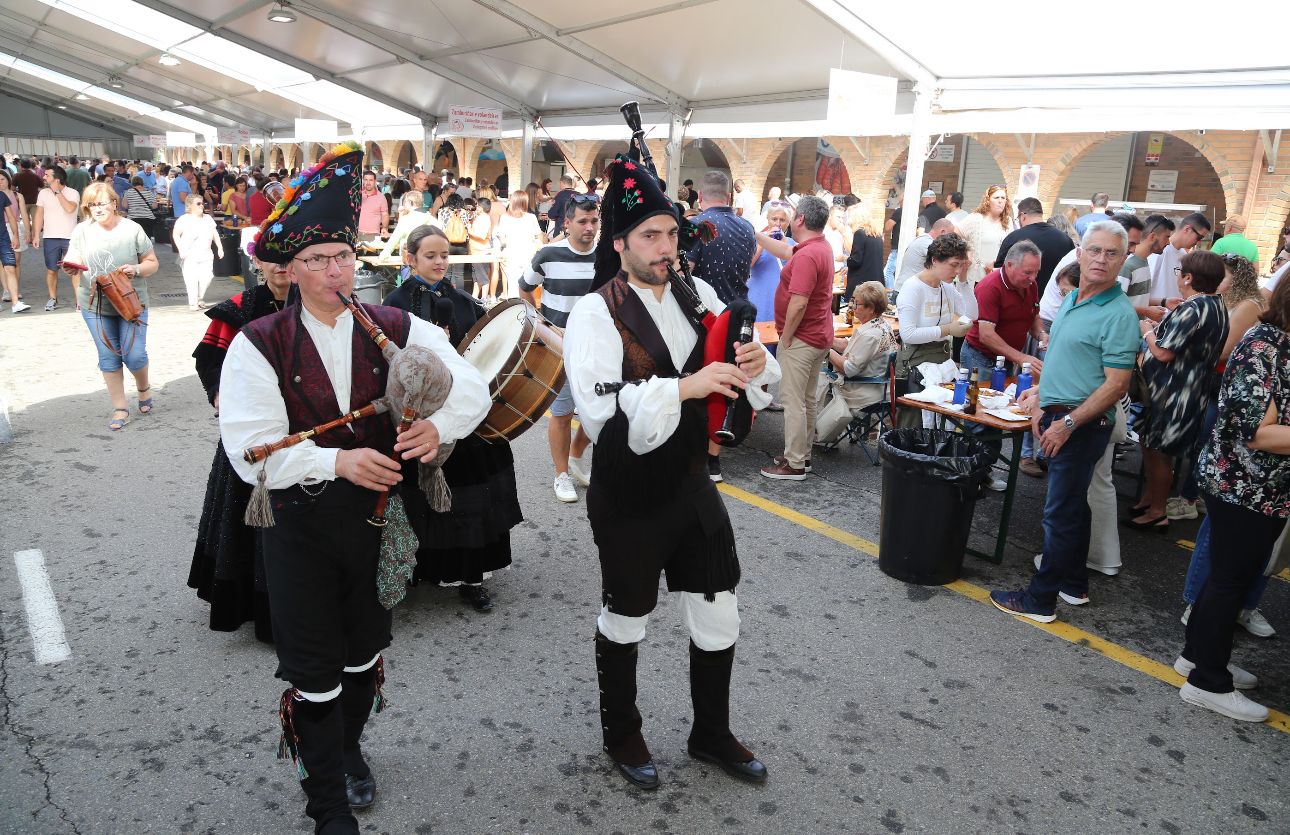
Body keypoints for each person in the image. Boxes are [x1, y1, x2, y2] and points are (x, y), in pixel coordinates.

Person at [218, 144, 489, 834]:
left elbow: (473, 383)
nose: (333, 270)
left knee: (364, 657)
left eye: (342, 254)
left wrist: (440, 430)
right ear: (289, 270)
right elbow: (249, 449)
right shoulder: (259, 341)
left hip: (375, 523)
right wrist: (334, 464)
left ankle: (349, 749)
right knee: (314, 674)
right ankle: (328, 806)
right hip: (299, 527)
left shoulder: (397, 326)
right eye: (316, 260)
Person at [563, 152, 777, 791]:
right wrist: (685, 388)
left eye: (671, 234)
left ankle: (710, 733)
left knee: (719, 608)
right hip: (627, 487)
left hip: (689, 479)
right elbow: (601, 411)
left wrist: (753, 360)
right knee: (627, 614)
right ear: (620, 242)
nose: (664, 247)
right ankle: (621, 731)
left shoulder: (697, 294)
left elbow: (733, 367)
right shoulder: (594, 313)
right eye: (649, 236)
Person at [989, 220, 1140, 621]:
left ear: (1123, 260)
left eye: (1111, 253)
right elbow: (1066, 357)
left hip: (1081, 423)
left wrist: (1066, 423)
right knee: (1073, 507)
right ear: (1079, 253)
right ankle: (1074, 583)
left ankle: (1040, 600)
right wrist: (1041, 391)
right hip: (1060, 412)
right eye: (1094, 250)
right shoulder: (1074, 298)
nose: (1101, 260)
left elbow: (1116, 385)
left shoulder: (1119, 314)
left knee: (1059, 513)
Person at [383, 225, 520, 613]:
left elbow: (487, 347)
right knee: (417, 497)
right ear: (410, 258)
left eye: (445, 255)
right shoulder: (394, 307)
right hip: (416, 417)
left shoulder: (462, 300)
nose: (441, 262)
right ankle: (418, 567)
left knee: (471, 499)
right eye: (431, 256)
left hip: (463, 418)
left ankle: (471, 577)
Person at [1176, 277, 1290, 723]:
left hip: (1259, 487)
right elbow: (1259, 432)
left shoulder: (1278, 344)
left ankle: (1197, 657)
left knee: (1228, 577)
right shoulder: (1265, 347)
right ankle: (1207, 682)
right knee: (1231, 580)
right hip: (1244, 486)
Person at [189, 256, 293, 644]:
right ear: (257, 263)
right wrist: (221, 395)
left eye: (290, 258)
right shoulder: (239, 309)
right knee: (245, 518)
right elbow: (211, 360)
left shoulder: (316, 302)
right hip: (251, 431)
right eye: (273, 259)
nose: (282, 266)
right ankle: (251, 604)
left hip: (304, 429)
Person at [1178, 253, 1278, 637]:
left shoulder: (1242, 308)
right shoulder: (1263, 339)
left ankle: (1243, 605)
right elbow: (1254, 430)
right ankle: (1197, 606)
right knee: (1220, 537)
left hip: (1271, 476)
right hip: (1240, 469)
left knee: (1261, 548)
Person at [1126, 250, 1230, 532]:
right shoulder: (1216, 305)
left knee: (1159, 451)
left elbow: (1163, 354)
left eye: (1178, 273)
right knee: (1153, 446)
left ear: (1188, 277)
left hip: (1174, 394)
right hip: (1188, 391)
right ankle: (1151, 499)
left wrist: (1147, 329)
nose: (1177, 278)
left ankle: (1158, 511)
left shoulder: (1193, 308)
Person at [519, 194, 600, 501]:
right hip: (560, 347)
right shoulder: (548, 254)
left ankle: (578, 453)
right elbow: (525, 288)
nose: (589, 228)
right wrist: (541, 328)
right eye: (582, 221)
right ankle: (561, 474)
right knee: (563, 413)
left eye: (594, 221)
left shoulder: (608, 256)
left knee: (600, 411)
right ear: (567, 223)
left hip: (597, 349)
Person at [61, 182, 160, 431]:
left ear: (114, 203)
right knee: (108, 356)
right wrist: (71, 265)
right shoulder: (82, 231)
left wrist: (136, 269)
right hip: (94, 304)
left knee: (135, 355)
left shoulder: (132, 229)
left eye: (102, 203)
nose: (97, 209)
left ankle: (143, 388)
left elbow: (152, 262)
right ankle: (120, 407)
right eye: (91, 205)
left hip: (131, 302)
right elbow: (74, 256)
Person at [758, 195, 834, 481]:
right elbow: (785, 252)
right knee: (807, 399)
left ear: (800, 219)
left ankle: (794, 464)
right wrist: (758, 235)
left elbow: (798, 302)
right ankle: (803, 455)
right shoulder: (818, 247)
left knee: (793, 401)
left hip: (802, 337)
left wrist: (786, 337)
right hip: (818, 335)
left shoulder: (807, 254)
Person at [893, 233, 972, 428]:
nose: (957, 269)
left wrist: (963, 280)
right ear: (935, 260)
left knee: (944, 426)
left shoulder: (947, 287)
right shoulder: (912, 288)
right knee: (918, 427)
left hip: (942, 363)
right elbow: (908, 334)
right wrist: (948, 329)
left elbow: (972, 313)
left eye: (961, 265)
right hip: (917, 366)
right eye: (954, 265)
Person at [814, 281, 898, 444]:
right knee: (822, 375)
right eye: (853, 301)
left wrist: (825, 349)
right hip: (882, 387)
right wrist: (825, 339)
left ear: (871, 308)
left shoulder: (870, 335)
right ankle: (822, 431)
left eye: (857, 303)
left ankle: (822, 433)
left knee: (816, 379)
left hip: (866, 390)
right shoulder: (881, 324)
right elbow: (849, 345)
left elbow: (849, 369)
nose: (852, 306)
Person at [992, 197, 1074, 295]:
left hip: (1020, 299)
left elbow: (999, 272)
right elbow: (1073, 271)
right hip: (1055, 301)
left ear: (1022, 216)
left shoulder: (1014, 238)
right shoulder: (1065, 239)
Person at [956, 185, 1014, 319]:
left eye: (1003, 198)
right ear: (988, 200)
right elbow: (956, 232)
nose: (1000, 201)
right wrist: (967, 251)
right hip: (976, 276)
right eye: (997, 197)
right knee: (970, 316)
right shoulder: (976, 218)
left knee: (989, 317)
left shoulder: (1008, 222)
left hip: (996, 276)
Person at [31, 164, 80, 311]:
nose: (43, 177)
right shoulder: (43, 193)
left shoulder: (73, 193)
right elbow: (39, 214)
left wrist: (57, 192)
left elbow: (70, 209)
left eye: (47, 175)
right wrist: (36, 234)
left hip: (70, 237)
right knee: (52, 270)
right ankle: (52, 298)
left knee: (74, 270)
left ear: (57, 179)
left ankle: (79, 301)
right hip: (50, 237)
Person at [1149, 212, 1211, 307]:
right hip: (1153, 316)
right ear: (1187, 229)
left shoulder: (1184, 255)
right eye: (1199, 237)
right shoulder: (1159, 252)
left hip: (1171, 315)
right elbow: (1143, 290)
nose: (1198, 242)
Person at [173, 193, 223, 311]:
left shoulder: (208, 218)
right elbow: (175, 234)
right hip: (190, 254)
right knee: (191, 279)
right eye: (198, 203)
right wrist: (181, 249)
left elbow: (215, 234)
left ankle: (200, 297)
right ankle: (193, 302)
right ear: (190, 206)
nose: (202, 205)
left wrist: (220, 248)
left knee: (207, 277)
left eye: (202, 203)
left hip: (206, 253)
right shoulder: (184, 219)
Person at [748, 202, 795, 322]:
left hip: (782, 297)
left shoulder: (792, 244)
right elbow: (748, 265)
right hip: (759, 297)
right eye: (774, 219)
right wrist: (764, 241)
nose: (778, 223)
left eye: (782, 220)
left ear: (788, 222)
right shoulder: (757, 239)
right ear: (768, 219)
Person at [493, 190, 544, 300]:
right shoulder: (531, 218)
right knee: (528, 287)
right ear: (525, 202)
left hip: (511, 256)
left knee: (513, 288)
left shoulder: (505, 218)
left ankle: (515, 313)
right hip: (528, 255)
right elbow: (539, 237)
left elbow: (503, 240)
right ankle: (529, 313)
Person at [893, 218, 955, 293]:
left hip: (907, 289)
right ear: (942, 232)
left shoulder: (923, 240)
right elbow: (945, 261)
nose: (950, 240)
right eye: (950, 236)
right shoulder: (926, 243)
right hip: (907, 291)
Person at [377, 191, 431, 260]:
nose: (403, 205)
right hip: (429, 260)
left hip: (410, 260)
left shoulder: (406, 220)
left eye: (405, 202)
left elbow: (393, 241)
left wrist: (382, 256)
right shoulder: (433, 219)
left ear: (410, 203)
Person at [0, 176, 23, 313]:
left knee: (10, 268)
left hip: (3, 238)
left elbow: (11, 217)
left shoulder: (2, 196)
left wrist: (15, 235)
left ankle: (16, 303)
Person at [356, 170, 387, 243]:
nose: (368, 182)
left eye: (371, 180)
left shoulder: (381, 197)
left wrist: (385, 228)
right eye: (366, 180)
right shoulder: (357, 195)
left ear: (375, 181)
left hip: (374, 235)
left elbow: (385, 214)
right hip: (357, 234)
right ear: (363, 181)